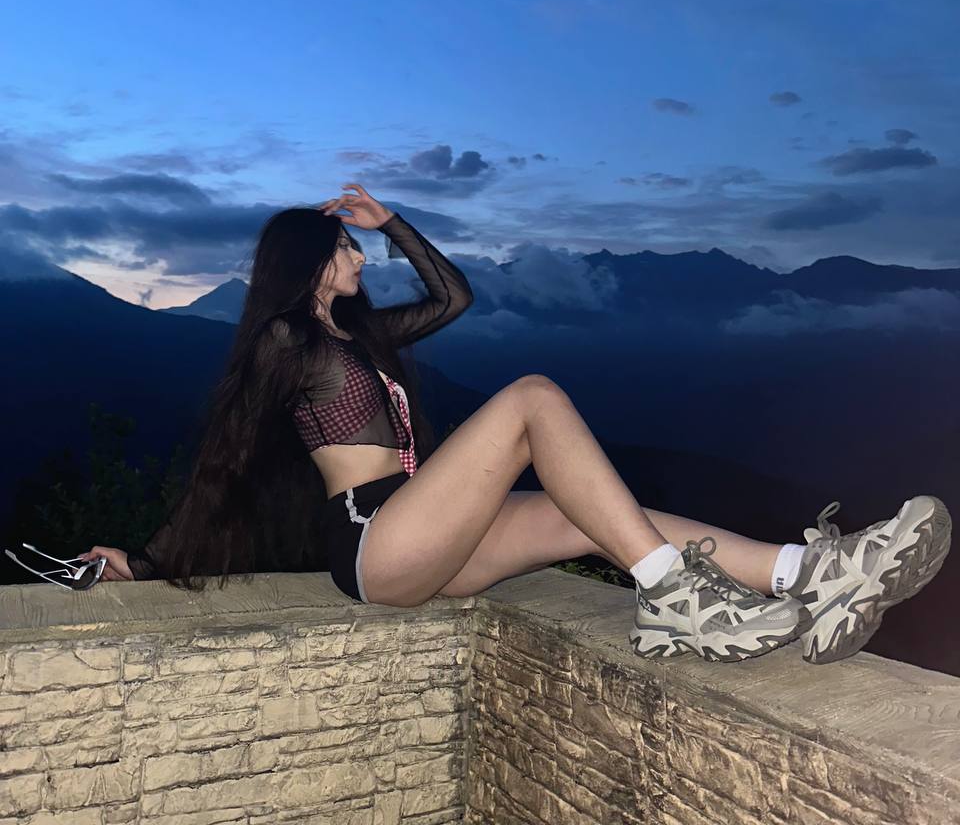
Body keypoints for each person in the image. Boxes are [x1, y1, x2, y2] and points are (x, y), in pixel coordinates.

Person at [79, 183, 952, 665]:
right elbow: (225, 461)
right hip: (374, 540)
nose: (357, 254)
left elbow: (453, 296)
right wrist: (148, 560)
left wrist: (393, 223)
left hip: (424, 534)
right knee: (533, 398)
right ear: (308, 261)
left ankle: (810, 572)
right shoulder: (285, 341)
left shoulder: (362, 336)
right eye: (344, 245)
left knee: (585, 514)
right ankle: (677, 598)